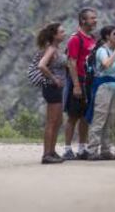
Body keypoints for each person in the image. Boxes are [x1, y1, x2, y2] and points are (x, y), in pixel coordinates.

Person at [63, 6, 97, 160]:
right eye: (92, 18)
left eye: (95, 18)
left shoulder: (92, 39)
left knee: (85, 116)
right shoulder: (75, 39)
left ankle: (82, 148)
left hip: (89, 82)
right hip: (78, 81)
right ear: (83, 20)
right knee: (73, 116)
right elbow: (71, 62)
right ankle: (67, 149)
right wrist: (76, 85)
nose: (95, 20)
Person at [86, 25, 115, 160]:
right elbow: (106, 64)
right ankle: (92, 150)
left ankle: (106, 149)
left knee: (110, 119)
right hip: (103, 88)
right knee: (100, 118)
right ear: (107, 36)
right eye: (114, 34)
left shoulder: (113, 51)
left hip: (113, 89)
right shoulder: (102, 51)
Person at [37, 22, 67, 164]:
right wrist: (54, 78)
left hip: (58, 88)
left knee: (58, 121)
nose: (64, 33)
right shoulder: (51, 49)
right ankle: (46, 154)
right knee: (52, 121)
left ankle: (52, 151)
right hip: (52, 88)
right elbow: (41, 65)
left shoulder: (57, 49)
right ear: (55, 35)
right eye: (61, 32)